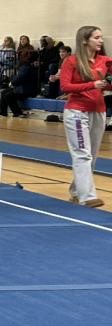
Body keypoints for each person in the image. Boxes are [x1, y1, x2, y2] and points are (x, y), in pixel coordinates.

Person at [59, 25, 112, 209]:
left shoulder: (106, 61)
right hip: (77, 111)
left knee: (93, 155)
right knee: (82, 153)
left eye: (101, 37)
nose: (101, 41)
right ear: (84, 40)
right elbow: (65, 87)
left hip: (98, 110)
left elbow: (108, 86)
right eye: (96, 37)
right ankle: (87, 196)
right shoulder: (71, 61)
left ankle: (75, 192)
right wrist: (92, 84)